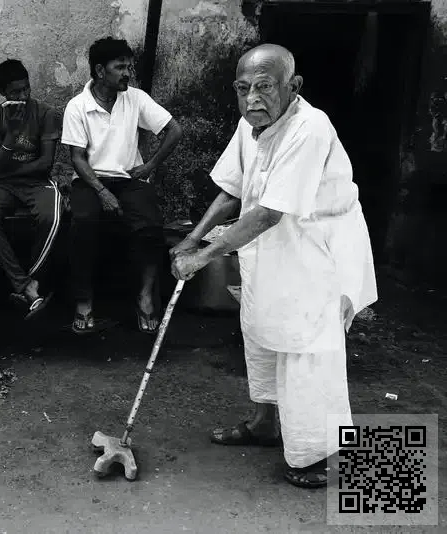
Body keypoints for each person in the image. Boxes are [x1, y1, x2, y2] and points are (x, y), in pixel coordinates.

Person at [169, 44, 377, 488]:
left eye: (264, 87)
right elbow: (230, 190)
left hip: (317, 251)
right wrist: (190, 238)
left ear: (293, 86)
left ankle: (312, 455)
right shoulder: (251, 125)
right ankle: (265, 424)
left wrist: (204, 257)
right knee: (263, 333)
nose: (252, 99)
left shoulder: (309, 128)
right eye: (243, 89)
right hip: (273, 246)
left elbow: (267, 213)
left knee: (306, 350)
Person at [61, 37, 183, 335]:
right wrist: (101, 192)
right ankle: (83, 301)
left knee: (151, 226)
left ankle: (144, 297)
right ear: (100, 71)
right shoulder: (78, 106)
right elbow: (77, 158)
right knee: (83, 224)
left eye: (129, 66)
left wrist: (150, 166)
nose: (127, 73)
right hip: (90, 181)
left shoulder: (136, 98)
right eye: (120, 67)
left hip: (129, 180)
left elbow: (174, 130)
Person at [0, 59, 63, 319]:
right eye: (15, 92)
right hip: (3, 186)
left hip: (38, 184)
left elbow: (45, 164)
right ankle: (24, 285)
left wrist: (7, 169)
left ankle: (31, 280)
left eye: (26, 89)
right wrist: (12, 134)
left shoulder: (45, 113)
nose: (23, 96)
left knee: (53, 217)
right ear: (3, 93)